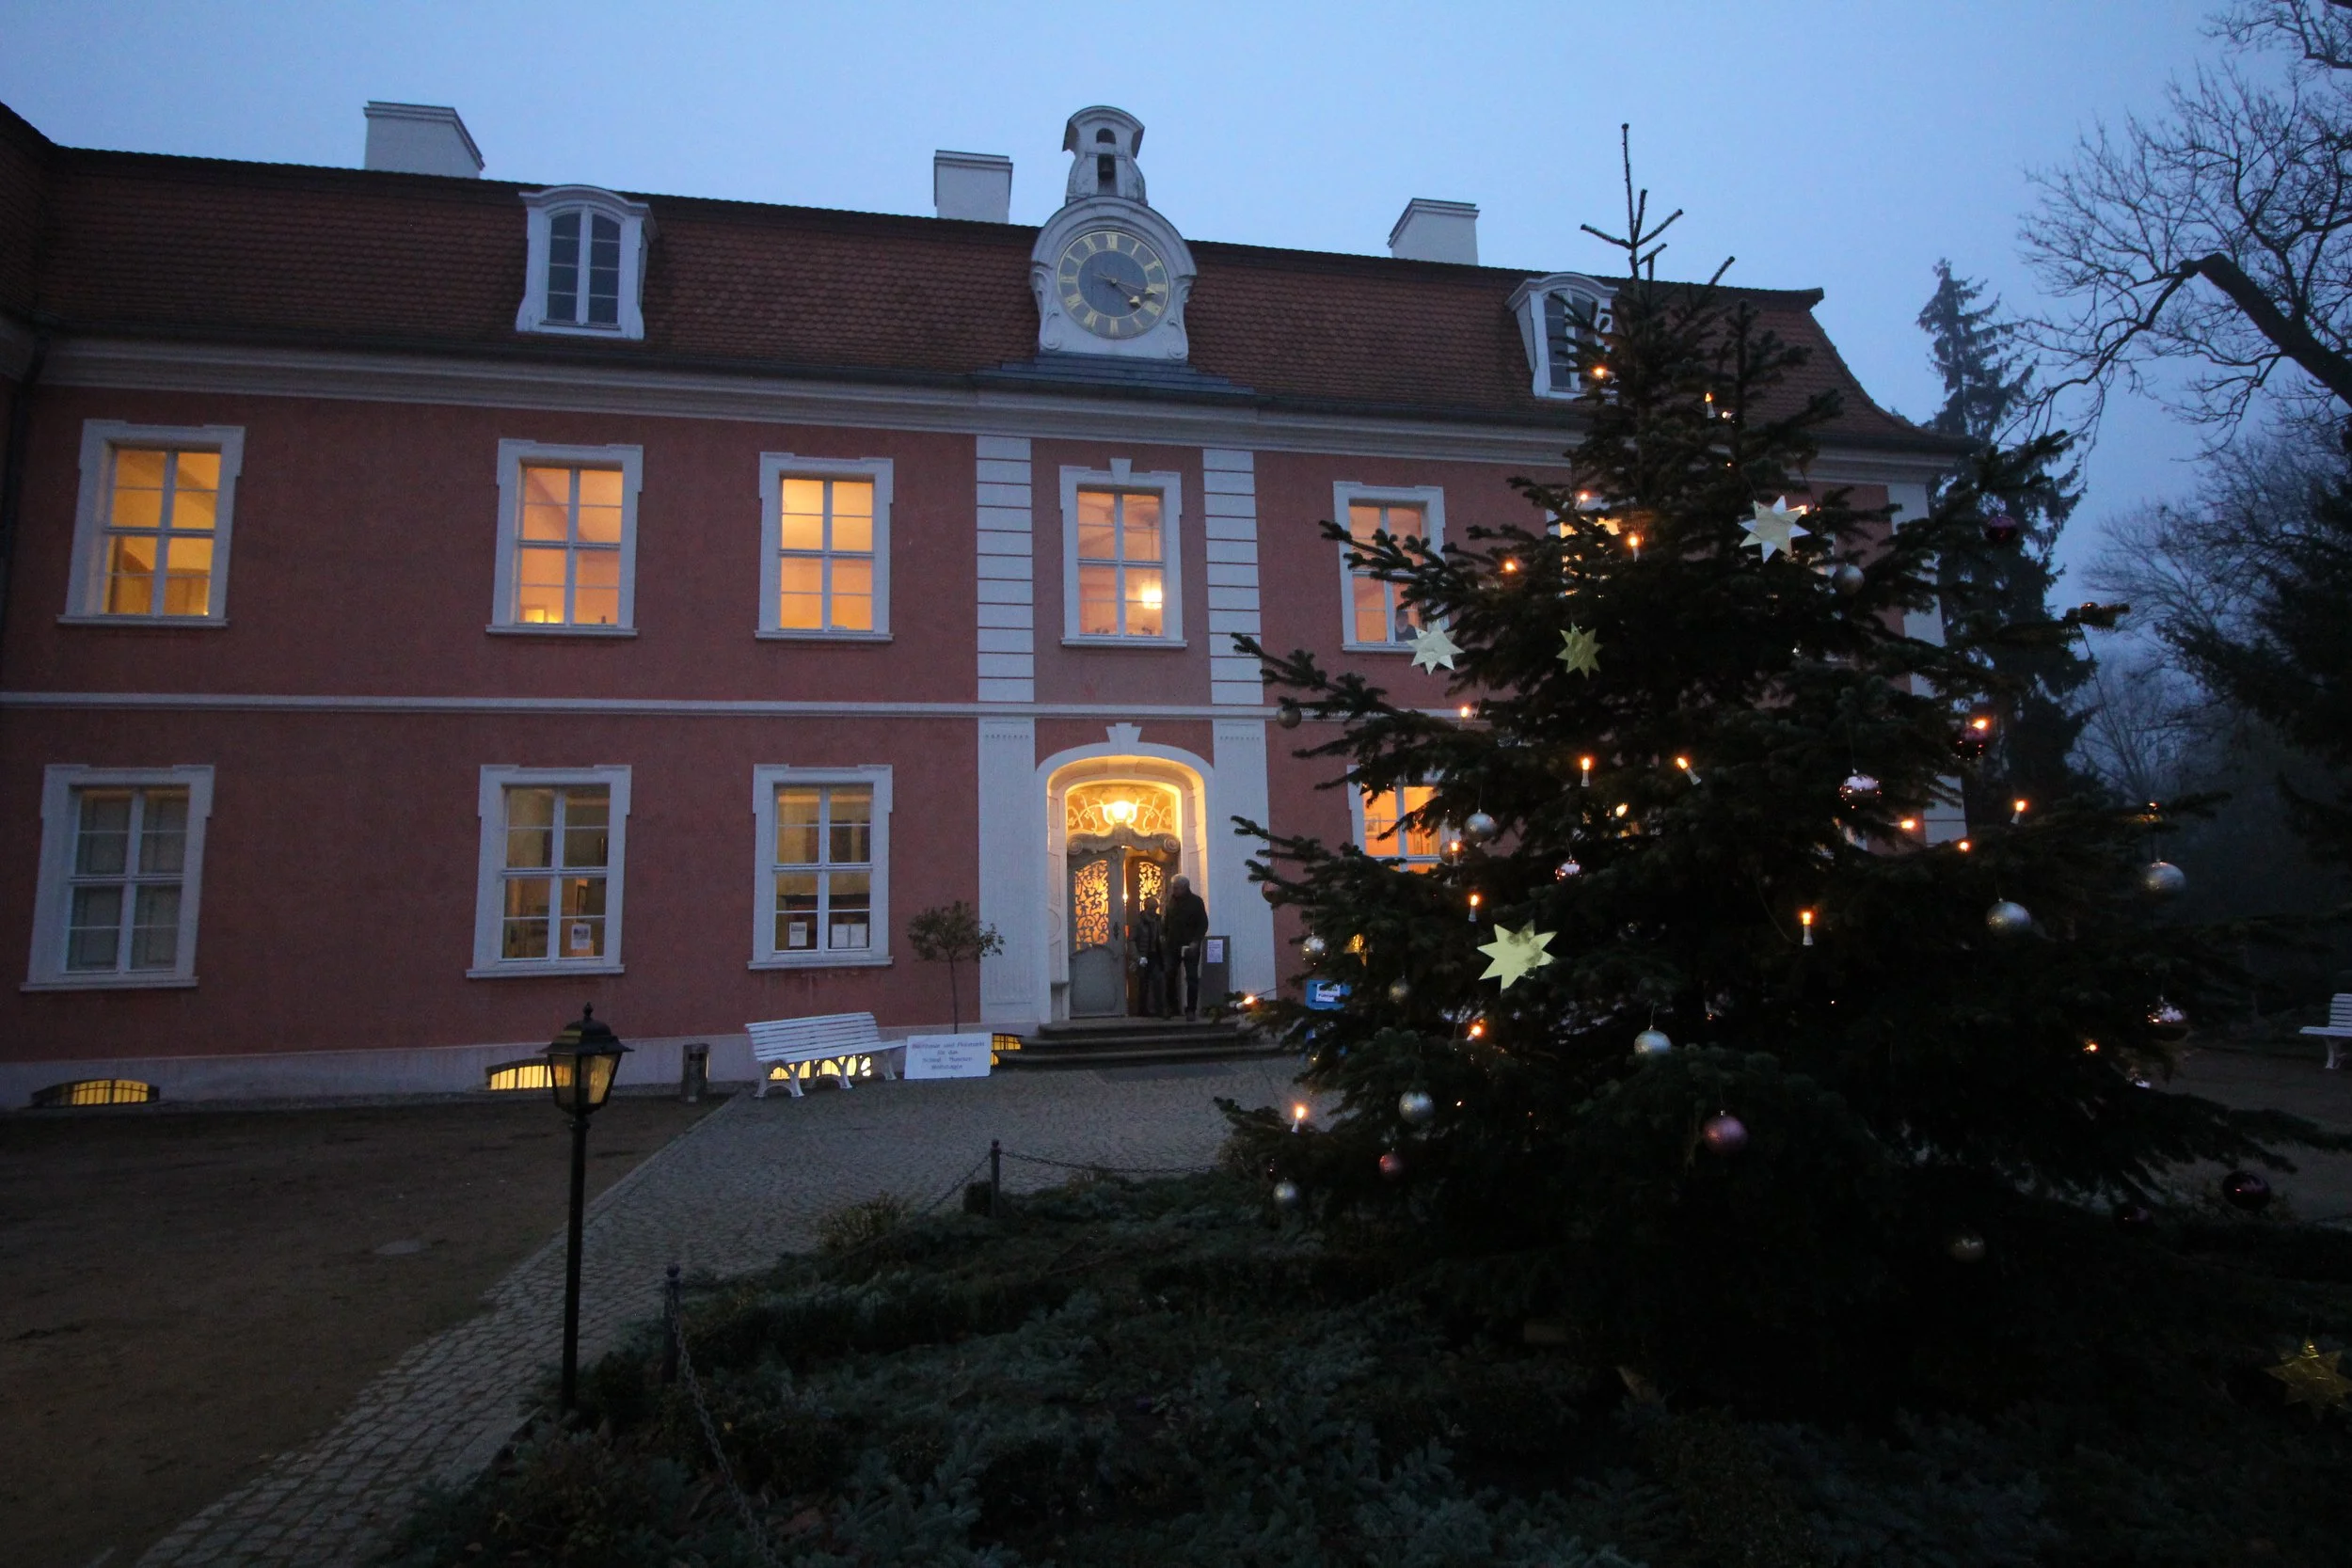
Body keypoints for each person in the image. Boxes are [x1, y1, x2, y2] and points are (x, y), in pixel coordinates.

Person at [1164, 874, 1209, 1021]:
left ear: (1184, 887)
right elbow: (1167, 920)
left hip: (1190, 945)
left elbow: (1203, 923)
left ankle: (1191, 1009)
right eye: (1173, 887)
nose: (1174, 890)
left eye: (1176, 888)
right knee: (1169, 975)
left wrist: (1196, 941)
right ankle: (1171, 1006)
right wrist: (1164, 935)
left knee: (1191, 978)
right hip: (1173, 945)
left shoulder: (1196, 902)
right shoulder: (1171, 901)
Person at [1131, 894, 1167, 1017]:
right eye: (1152, 909)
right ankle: (1143, 1010)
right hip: (1143, 956)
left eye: (1155, 908)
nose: (1154, 911)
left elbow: (1164, 935)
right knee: (1144, 983)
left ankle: (1159, 1008)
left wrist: (1163, 942)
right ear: (1146, 908)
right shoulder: (1139, 922)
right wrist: (1137, 957)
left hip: (1156, 955)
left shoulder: (1159, 920)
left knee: (1158, 980)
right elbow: (1132, 940)